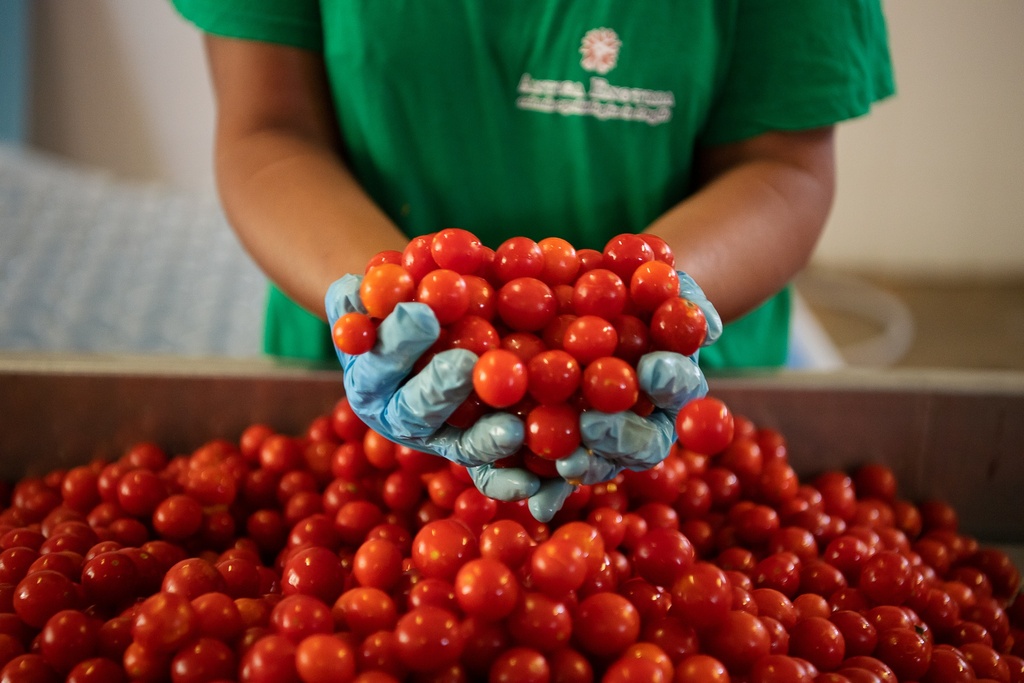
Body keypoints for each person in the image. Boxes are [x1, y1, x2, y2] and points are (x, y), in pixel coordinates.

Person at [172, 1, 894, 518]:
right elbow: (269, 128)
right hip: (362, 394)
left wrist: (659, 306)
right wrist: (387, 304)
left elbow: (781, 166)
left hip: (672, 405)